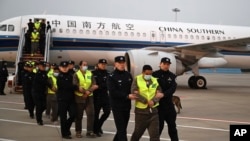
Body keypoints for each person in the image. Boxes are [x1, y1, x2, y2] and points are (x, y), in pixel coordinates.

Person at [130, 65, 163, 141]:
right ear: (143, 72)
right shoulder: (137, 79)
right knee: (137, 134)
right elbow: (134, 93)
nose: (149, 75)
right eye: (147, 74)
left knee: (155, 136)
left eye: (150, 74)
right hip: (141, 113)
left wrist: (153, 101)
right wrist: (146, 101)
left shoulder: (155, 80)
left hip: (153, 112)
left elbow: (159, 93)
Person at [107, 56, 135, 141]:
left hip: (126, 106)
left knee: (122, 129)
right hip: (117, 107)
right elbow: (113, 91)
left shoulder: (128, 75)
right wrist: (126, 96)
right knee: (122, 130)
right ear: (115, 64)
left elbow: (132, 87)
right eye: (120, 63)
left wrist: (135, 92)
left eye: (123, 63)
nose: (122, 65)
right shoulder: (111, 76)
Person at [152, 57, 179, 141]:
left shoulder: (172, 76)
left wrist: (163, 94)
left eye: (168, 64)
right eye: (164, 64)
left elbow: (173, 88)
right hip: (159, 107)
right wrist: (155, 92)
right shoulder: (154, 75)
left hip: (169, 106)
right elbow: (151, 86)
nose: (166, 66)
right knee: (158, 129)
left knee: (172, 128)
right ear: (160, 64)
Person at [73, 61, 98, 138]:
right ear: (80, 66)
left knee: (91, 114)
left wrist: (88, 92)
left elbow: (94, 84)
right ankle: (78, 131)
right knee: (79, 116)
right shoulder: (76, 74)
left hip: (89, 97)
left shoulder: (90, 73)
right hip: (79, 97)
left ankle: (89, 131)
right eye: (84, 65)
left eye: (86, 65)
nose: (85, 66)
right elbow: (76, 85)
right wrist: (84, 92)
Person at [57, 61, 77, 139]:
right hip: (62, 99)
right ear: (60, 68)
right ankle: (64, 133)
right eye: (63, 67)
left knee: (73, 114)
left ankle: (66, 128)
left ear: (68, 67)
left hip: (71, 99)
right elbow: (66, 86)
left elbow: (73, 84)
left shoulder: (71, 75)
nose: (65, 68)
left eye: (66, 67)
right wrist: (77, 87)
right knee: (63, 117)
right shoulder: (59, 76)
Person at [92, 59, 111, 137]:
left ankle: (98, 126)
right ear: (98, 64)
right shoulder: (93, 73)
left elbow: (108, 85)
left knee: (107, 112)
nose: (103, 65)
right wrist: (100, 86)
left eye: (105, 64)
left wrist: (99, 86)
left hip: (105, 96)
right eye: (102, 64)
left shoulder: (108, 74)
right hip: (96, 96)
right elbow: (93, 84)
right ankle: (95, 130)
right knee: (96, 114)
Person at [32, 61, 48, 125]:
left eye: (45, 66)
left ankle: (38, 114)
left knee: (44, 106)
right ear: (39, 66)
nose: (44, 67)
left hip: (42, 92)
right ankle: (39, 120)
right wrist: (51, 86)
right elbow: (44, 82)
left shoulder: (44, 73)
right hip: (36, 92)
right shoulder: (38, 74)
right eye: (43, 66)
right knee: (39, 106)